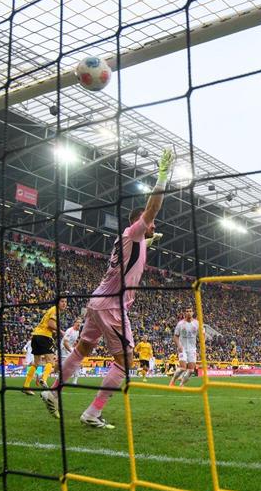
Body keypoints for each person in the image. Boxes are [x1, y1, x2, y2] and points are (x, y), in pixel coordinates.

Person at [42, 148, 174, 428]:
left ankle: (52, 391)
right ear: (140, 222)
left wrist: (149, 241)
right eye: (151, 224)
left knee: (81, 350)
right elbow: (152, 209)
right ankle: (92, 413)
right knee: (125, 361)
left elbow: (136, 252)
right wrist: (162, 177)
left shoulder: (130, 240)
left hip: (98, 301)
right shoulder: (134, 231)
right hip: (113, 304)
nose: (154, 225)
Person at [23, 299, 63, 395]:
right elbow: (51, 324)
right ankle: (43, 379)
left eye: (66, 302)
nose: (64, 304)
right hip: (44, 336)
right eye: (62, 301)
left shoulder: (50, 310)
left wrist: (53, 331)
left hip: (36, 335)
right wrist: (60, 331)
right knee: (50, 361)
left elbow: (47, 325)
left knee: (36, 363)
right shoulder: (55, 310)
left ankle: (26, 386)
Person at [169, 308, 199, 386]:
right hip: (182, 348)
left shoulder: (197, 323)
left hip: (192, 349)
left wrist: (202, 345)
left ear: (193, 312)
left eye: (190, 311)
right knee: (182, 368)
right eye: (187, 311)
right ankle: (172, 381)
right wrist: (179, 345)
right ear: (184, 313)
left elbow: (202, 335)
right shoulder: (180, 324)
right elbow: (175, 336)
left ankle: (181, 385)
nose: (189, 313)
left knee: (191, 370)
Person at [60, 317, 82, 385]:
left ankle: (74, 381)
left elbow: (73, 342)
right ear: (74, 323)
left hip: (70, 348)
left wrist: (75, 347)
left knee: (78, 364)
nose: (79, 324)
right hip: (64, 349)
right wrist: (71, 351)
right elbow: (65, 342)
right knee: (63, 367)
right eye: (78, 322)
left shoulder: (78, 331)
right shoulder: (70, 330)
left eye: (80, 323)